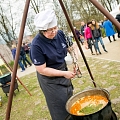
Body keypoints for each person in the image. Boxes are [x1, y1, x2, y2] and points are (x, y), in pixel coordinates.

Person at [30, 9, 75, 120]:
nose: (54, 32)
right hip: (49, 79)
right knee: (59, 106)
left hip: (63, 70)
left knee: (70, 98)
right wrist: (63, 73)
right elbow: (42, 70)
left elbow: (72, 48)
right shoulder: (36, 45)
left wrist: (76, 62)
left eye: (55, 28)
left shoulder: (60, 34)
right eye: (49, 30)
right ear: (42, 31)